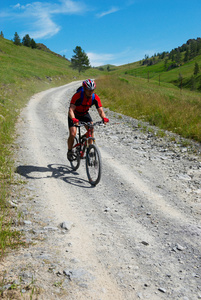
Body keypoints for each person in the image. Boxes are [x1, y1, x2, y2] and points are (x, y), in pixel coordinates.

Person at [67, 79, 109, 161]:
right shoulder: (77, 96)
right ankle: (69, 151)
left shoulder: (95, 97)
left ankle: (89, 149)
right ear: (84, 89)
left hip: (84, 114)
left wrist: (104, 118)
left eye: (92, 90)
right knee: (73, 134)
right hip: (74, 115)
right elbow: (71, 110)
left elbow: (100, 110)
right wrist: (74, 119)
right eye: (88, 90)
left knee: (91, 128)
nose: (90, 92)